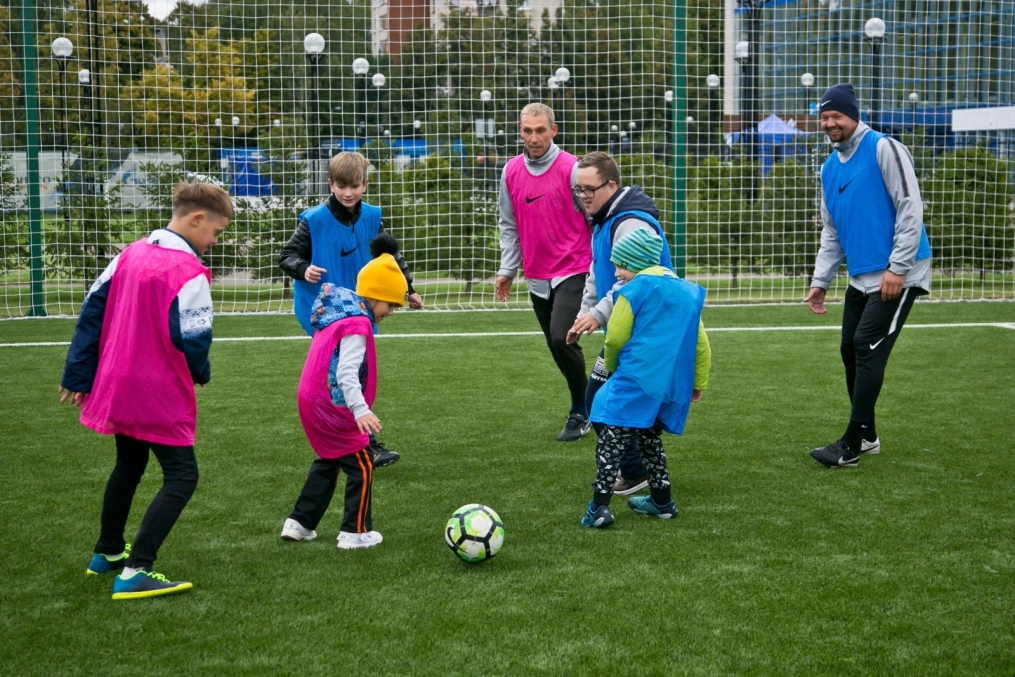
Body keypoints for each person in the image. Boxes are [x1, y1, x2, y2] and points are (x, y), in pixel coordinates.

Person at [59, 180, 233, 600]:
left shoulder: (129, 254)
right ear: (196, 219)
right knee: (182, 475)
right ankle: (138, 568)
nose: (213, 241)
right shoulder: (189, 272)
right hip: (157, 388)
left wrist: (79, 374)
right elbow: (194, 338)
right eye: (216, 232)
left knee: (130, 464)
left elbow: (92, 310)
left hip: (116, 382)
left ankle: (107, 553)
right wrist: (201, 373)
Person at [804, 83, 932, 468]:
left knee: (866, 345)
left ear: (853, 116)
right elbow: (832, 231)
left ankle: (851, 443)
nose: (829, 123)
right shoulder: (828, 168)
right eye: (824, 117)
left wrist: (898, 268)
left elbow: (910, 206)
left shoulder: (883, 148)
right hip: (861, 277)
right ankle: (869, 435)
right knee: (849, 349)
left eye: (836, 116)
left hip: (900, 272)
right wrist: (820, 281)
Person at [278, 151, 421, 468]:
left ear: (365, 185)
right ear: (330, 184)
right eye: (341, 186)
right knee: (349, 374)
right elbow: (286, 255)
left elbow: (390, 257)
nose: (347, 192)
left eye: (354, 186)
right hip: (327, 311)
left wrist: (408, 288)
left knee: (351, 375)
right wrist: (303, 269)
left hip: (361, 307)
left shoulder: (372, 216)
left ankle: (351, 444)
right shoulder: (313, 220)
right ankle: (361, 445)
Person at [279, 235, 407, 549]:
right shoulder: (357, 325)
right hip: (331, 405)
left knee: (329, 460)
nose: (391, 312)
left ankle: (299, 523)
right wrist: (360, 409)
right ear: (376, 296)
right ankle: (355, 532)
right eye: (391, 304)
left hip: (310, 400)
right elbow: (347, 372)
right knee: (362, 465)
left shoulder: (338, 313)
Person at [580, 229, 711, 528]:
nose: (616, 273)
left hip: (633, 380)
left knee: (611, 440)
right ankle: (662, 503)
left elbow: (614, 338)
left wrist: (611, 368)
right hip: (665, 386)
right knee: (650, 441)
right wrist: (698, 382)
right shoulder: (687, 292)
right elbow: (701, 344)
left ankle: (598, 509)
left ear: (634, 262)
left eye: (620, 266)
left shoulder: (633, 291)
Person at [566, 151, 673, 495]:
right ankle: (646, 475)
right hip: (628, 331)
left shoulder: (630, 223)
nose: (583, 198)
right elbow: (599, 274)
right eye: (578, 190)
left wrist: (597, 315)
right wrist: (586, 313)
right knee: (613, 402)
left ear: (611, 185)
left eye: (589, 190)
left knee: (602, 400)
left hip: (646, 334)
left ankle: (636, 472)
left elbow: (633, 281)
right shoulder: (604, 219)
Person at [496, 103, 593, 441]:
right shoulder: (510, 171)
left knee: (560, 337)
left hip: (575, 267)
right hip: (536, 274)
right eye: (527, 131)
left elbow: (594, 214)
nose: (533, 137)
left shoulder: (572, 169)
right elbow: (508, 225)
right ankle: (591, 399)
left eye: (540, 130)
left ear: (554, 130)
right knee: (557, 347)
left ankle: (581, 410)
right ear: (520, 132)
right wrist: (508, 268)